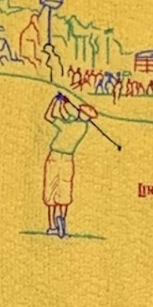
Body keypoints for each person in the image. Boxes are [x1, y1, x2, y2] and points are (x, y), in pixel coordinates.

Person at [41, 92, 98, 238]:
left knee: (58, 192)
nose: (80, 113)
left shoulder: (76, 126)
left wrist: (57, 101)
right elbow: (62, 114)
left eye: (83, 113)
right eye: (81, 111)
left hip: (58, 158)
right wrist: (62, 102)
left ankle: (58, 224)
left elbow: (51, 116)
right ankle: (55, 225)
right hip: (61, 159)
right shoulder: (77, 123)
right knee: (55, 192)